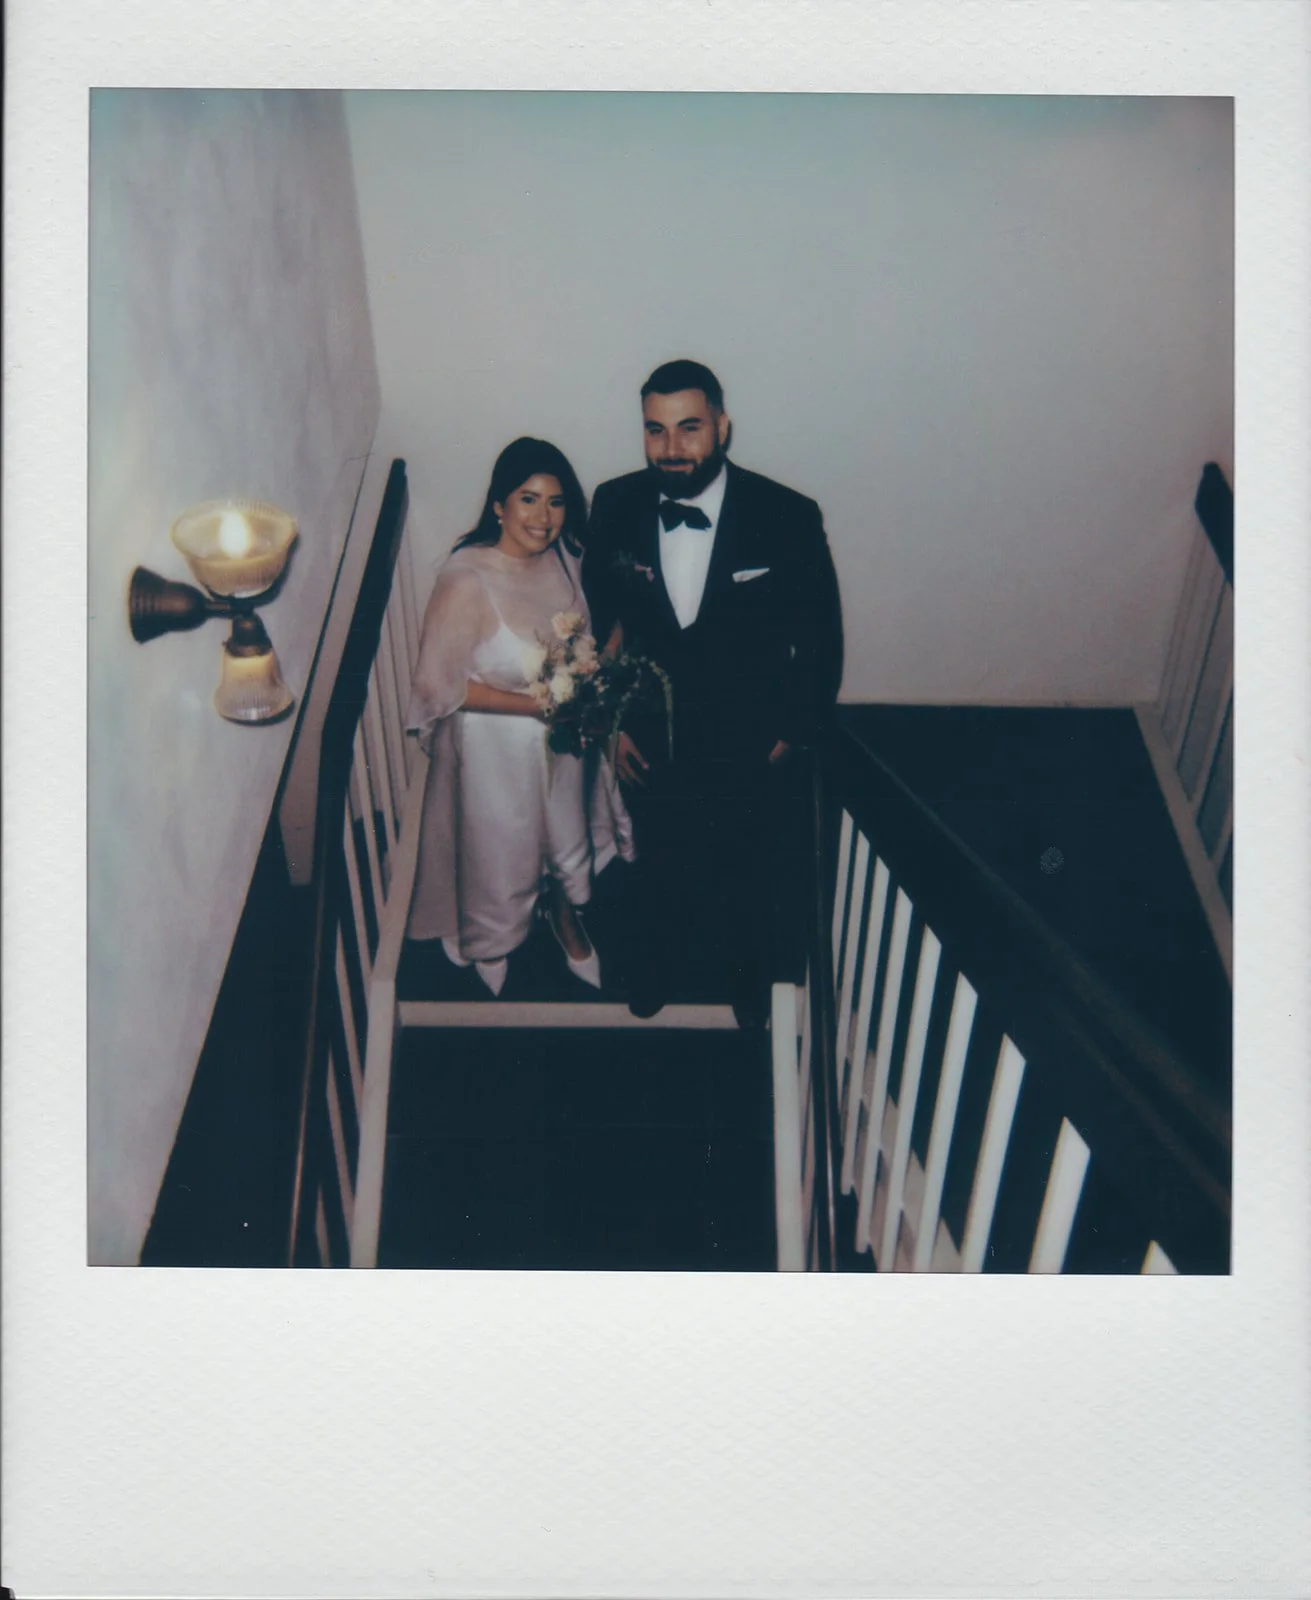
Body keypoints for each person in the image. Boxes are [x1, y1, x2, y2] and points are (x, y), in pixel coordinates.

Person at [583, 359, 844, 1027]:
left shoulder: (787, 514)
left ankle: (747, 984)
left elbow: (821, 637)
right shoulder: (613, 505)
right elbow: (595, 628)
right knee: (655, 861)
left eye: (689, 427)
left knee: (747, 868)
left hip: (749, 739)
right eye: (655, 430)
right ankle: (656, 966)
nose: (671, 447)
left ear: (722, 427)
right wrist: (611, 723)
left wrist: (790, 733)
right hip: (650, 735)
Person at [406, 437, 633, 995]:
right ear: (498, 506)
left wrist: (598, 672)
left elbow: (605, 626)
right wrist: (539, 706)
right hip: (492, 748)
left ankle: (564, 915)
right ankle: (492, 935)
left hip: (561, 741)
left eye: (555, 502)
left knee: (562, 835)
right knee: (499, 848)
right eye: (528, 499)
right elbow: (439, 686)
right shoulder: (465, 579)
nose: (543, 517)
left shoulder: (567, 558)